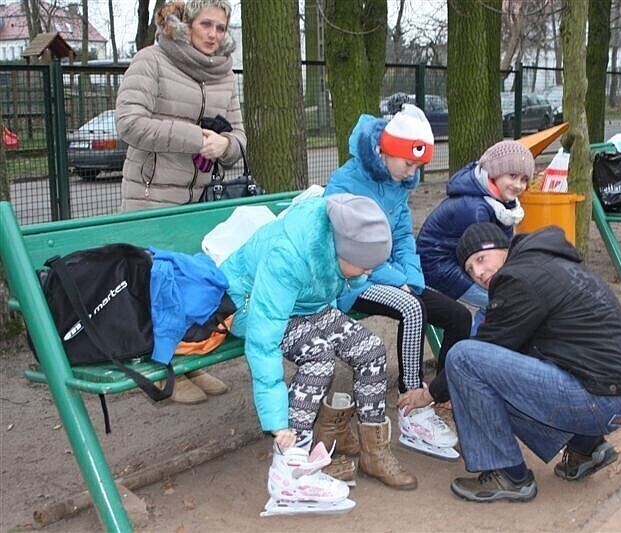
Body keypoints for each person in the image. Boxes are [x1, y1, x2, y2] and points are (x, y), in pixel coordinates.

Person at [219, 194, 417, 490]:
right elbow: (263, 342)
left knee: (370, 350)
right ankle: (294, 458)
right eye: (365, 266)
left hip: (304, 303)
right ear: (342, 253)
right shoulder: (287, 256)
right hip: (250, 304)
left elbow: (332, 288)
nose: (369, 273)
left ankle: (373, 454)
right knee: (319, 358)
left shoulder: (339, 245)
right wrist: (277, 422)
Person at [444, 222, 621, 502]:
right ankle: (585, 447)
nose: (478, 272)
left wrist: (431, 393)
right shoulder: (544, 263)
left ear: (503, 248)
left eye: (481, 259)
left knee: (463, 358)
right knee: (495, 373)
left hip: (599, 400)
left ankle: (509, 475)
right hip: (612, 397)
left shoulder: (519, 277)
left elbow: (486, 346)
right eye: (470, 270)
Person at [324, 104, 472, 460]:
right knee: (412, 308)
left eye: (418, 167)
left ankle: (440, 395)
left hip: (390, 275)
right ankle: (411, 408)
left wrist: (409, 279)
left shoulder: (398, 182)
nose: (412, 172)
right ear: (385, 151)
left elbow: (404, 236)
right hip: (352, 278)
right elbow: (349, 247)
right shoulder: (346, 182)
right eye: (409, 163)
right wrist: (396, 281)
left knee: (459, 316)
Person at [115, 0, 245, 402]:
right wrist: (195, 138)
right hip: (151, 195)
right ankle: (162, 371)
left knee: (190, 288)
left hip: (198, 199)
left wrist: (225, 145)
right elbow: (129, 123)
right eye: (206, 24)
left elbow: (239, 137)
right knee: (157, 288)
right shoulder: (151, 61)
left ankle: (191, 363)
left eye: (220, 27)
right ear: (184, 24)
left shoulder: (224, 74)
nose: (213, 34)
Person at [416, 140, 534, 314]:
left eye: (524, 180)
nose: (518, 185)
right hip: (438, 267)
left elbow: (505, 248)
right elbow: (485, 254)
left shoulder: (502, 205)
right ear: (495, 172)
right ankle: (486, 331)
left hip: (465, 261)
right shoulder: (475, 208)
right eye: (513, 175)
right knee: (501, 301)